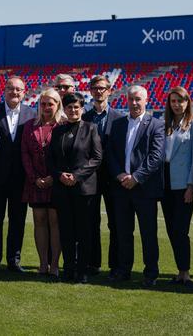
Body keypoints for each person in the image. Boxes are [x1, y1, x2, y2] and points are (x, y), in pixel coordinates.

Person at [107, 85, 164, 287]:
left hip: (144, 189)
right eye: (131, 99)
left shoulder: (156, 124)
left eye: (138, 99)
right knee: (123, 232)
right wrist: (120, 175)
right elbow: (111, 154)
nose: (134, 103)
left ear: (146, 100)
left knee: (148, 233)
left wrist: (136, 177)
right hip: (121, 187)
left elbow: (156, 157)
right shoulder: (118, 124)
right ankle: (123, 270)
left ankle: (150, 273)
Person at [47, 92, 102, 283]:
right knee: (66, 231)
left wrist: (76, 176)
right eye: (69, 107)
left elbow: (96, 158)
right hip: (62, 189)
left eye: (76, 107)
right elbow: (50, 160)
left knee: (84, 231)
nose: (73, 110)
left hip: (84, 189)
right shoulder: (57, 131)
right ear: (65, 109)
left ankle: (82, 270)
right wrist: (60, 175)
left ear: (82, 108)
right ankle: (68, 268)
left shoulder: (91, 128)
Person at [0, 76, 36, 273]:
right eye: (10, 89)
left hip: (21, 179)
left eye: (18, 89)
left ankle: (14, 261)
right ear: (4, 90)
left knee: (18, 221)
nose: (14, 92)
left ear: (24, 92)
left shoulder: (32, 114)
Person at [161, 87, 193, 286]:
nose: (177, 105)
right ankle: (180, 271)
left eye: (181, 101)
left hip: (182, 183)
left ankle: (185, 271)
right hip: (164, 181)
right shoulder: (165, 124)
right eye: (173, 101)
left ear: (188, 102)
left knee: (181, 229)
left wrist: (191, 185)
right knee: (170, 229)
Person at [81, 75, 124, 276]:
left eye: (103, 88)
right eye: (95, 88)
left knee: (115, 222)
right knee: (90, 222)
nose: (99, 91)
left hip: (113, 178)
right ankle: (93, 263)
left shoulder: (120, 118)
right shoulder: (85, 118)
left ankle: (116, 265)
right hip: (90, 178)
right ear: (90, 91)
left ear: (110, 91)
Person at [21, 88, 64, 277]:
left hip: (57, 183)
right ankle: (43, 263)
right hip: (35, 182)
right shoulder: (30, 125)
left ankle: (54, 264)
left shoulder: (63, 125)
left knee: (55, 222)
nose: (46, 107)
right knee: (39, 221)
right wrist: (34, 178)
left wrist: (53, 177)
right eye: (43, 104)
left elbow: (65, 155)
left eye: (51, 104)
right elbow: (25, 153)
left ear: (58, 105)